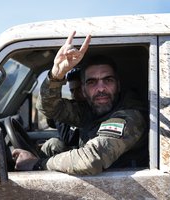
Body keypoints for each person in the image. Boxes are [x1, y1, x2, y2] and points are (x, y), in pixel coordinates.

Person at [12, 31, 148, 175]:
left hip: (121, 190)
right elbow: (49, 108)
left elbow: (91, 159)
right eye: (92, 82)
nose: (101, 88)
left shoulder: (130, 116)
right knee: (53, 145)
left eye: (108, 80)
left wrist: (38, 164)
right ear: (83, 90)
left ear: (118, 85)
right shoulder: (90, 110)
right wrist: (56, 76)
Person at [42, 67, 84, 156]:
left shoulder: (95, 111)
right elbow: (48, 108)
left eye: (79, 89)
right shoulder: (64, 108)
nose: (75, 94)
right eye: (72, 91)